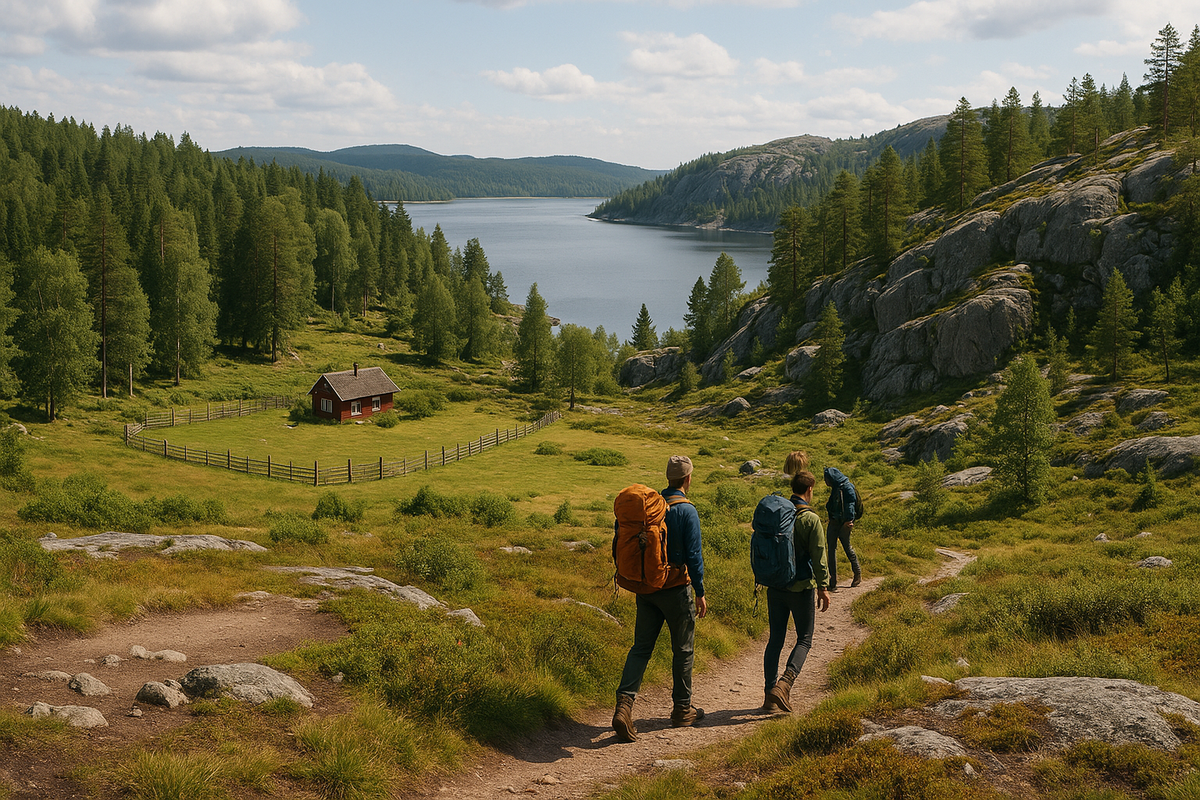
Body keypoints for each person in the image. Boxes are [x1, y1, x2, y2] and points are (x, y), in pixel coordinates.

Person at [612, 455, 708, 742]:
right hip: (676, 589)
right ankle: (682, 709)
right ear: (688, 479)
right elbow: (694, 556)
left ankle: (624, 705)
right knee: (683, 650)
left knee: (641, 648)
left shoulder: (650, 508)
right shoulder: (687, 511)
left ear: (668, 478)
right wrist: (700, 592)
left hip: (646, 588)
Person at [763, 470, 830, 712]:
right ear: (810, 489)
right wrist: (823, 587)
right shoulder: (810, 519)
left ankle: (768, 694)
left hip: (775, 585)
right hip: (801, 588)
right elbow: (819, 555)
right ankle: (785, 684)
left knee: (775, 639)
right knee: (804, 638)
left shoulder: (778, 514)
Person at [824, 466, 861, 591]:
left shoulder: (846, 487)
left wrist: (849, 520)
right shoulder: (836, 487)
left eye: (826, 479)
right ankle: (832, 580)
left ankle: (857, 573)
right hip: (834, 522)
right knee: (831, 550)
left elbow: (850, 504)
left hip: (844, 524)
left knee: (847, 548)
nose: (825, 481)